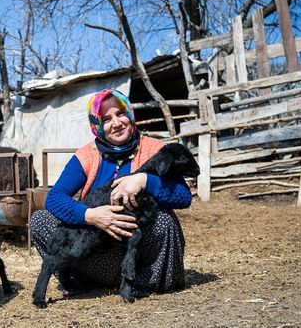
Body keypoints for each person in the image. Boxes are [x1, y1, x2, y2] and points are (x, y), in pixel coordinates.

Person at [30, 89, 193, 298]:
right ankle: (82, 278)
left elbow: (183, 195)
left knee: (165, 221)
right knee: (40, 220)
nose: (116, 123)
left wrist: (144, 180)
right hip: (94, 249)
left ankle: (141, 281)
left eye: (121, 113)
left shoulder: (154, 149)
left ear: (130, 114)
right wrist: (91, 216)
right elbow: (55, 197)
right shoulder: (87, 156)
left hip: (136, 255)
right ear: (97, 125)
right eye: (106, 119)